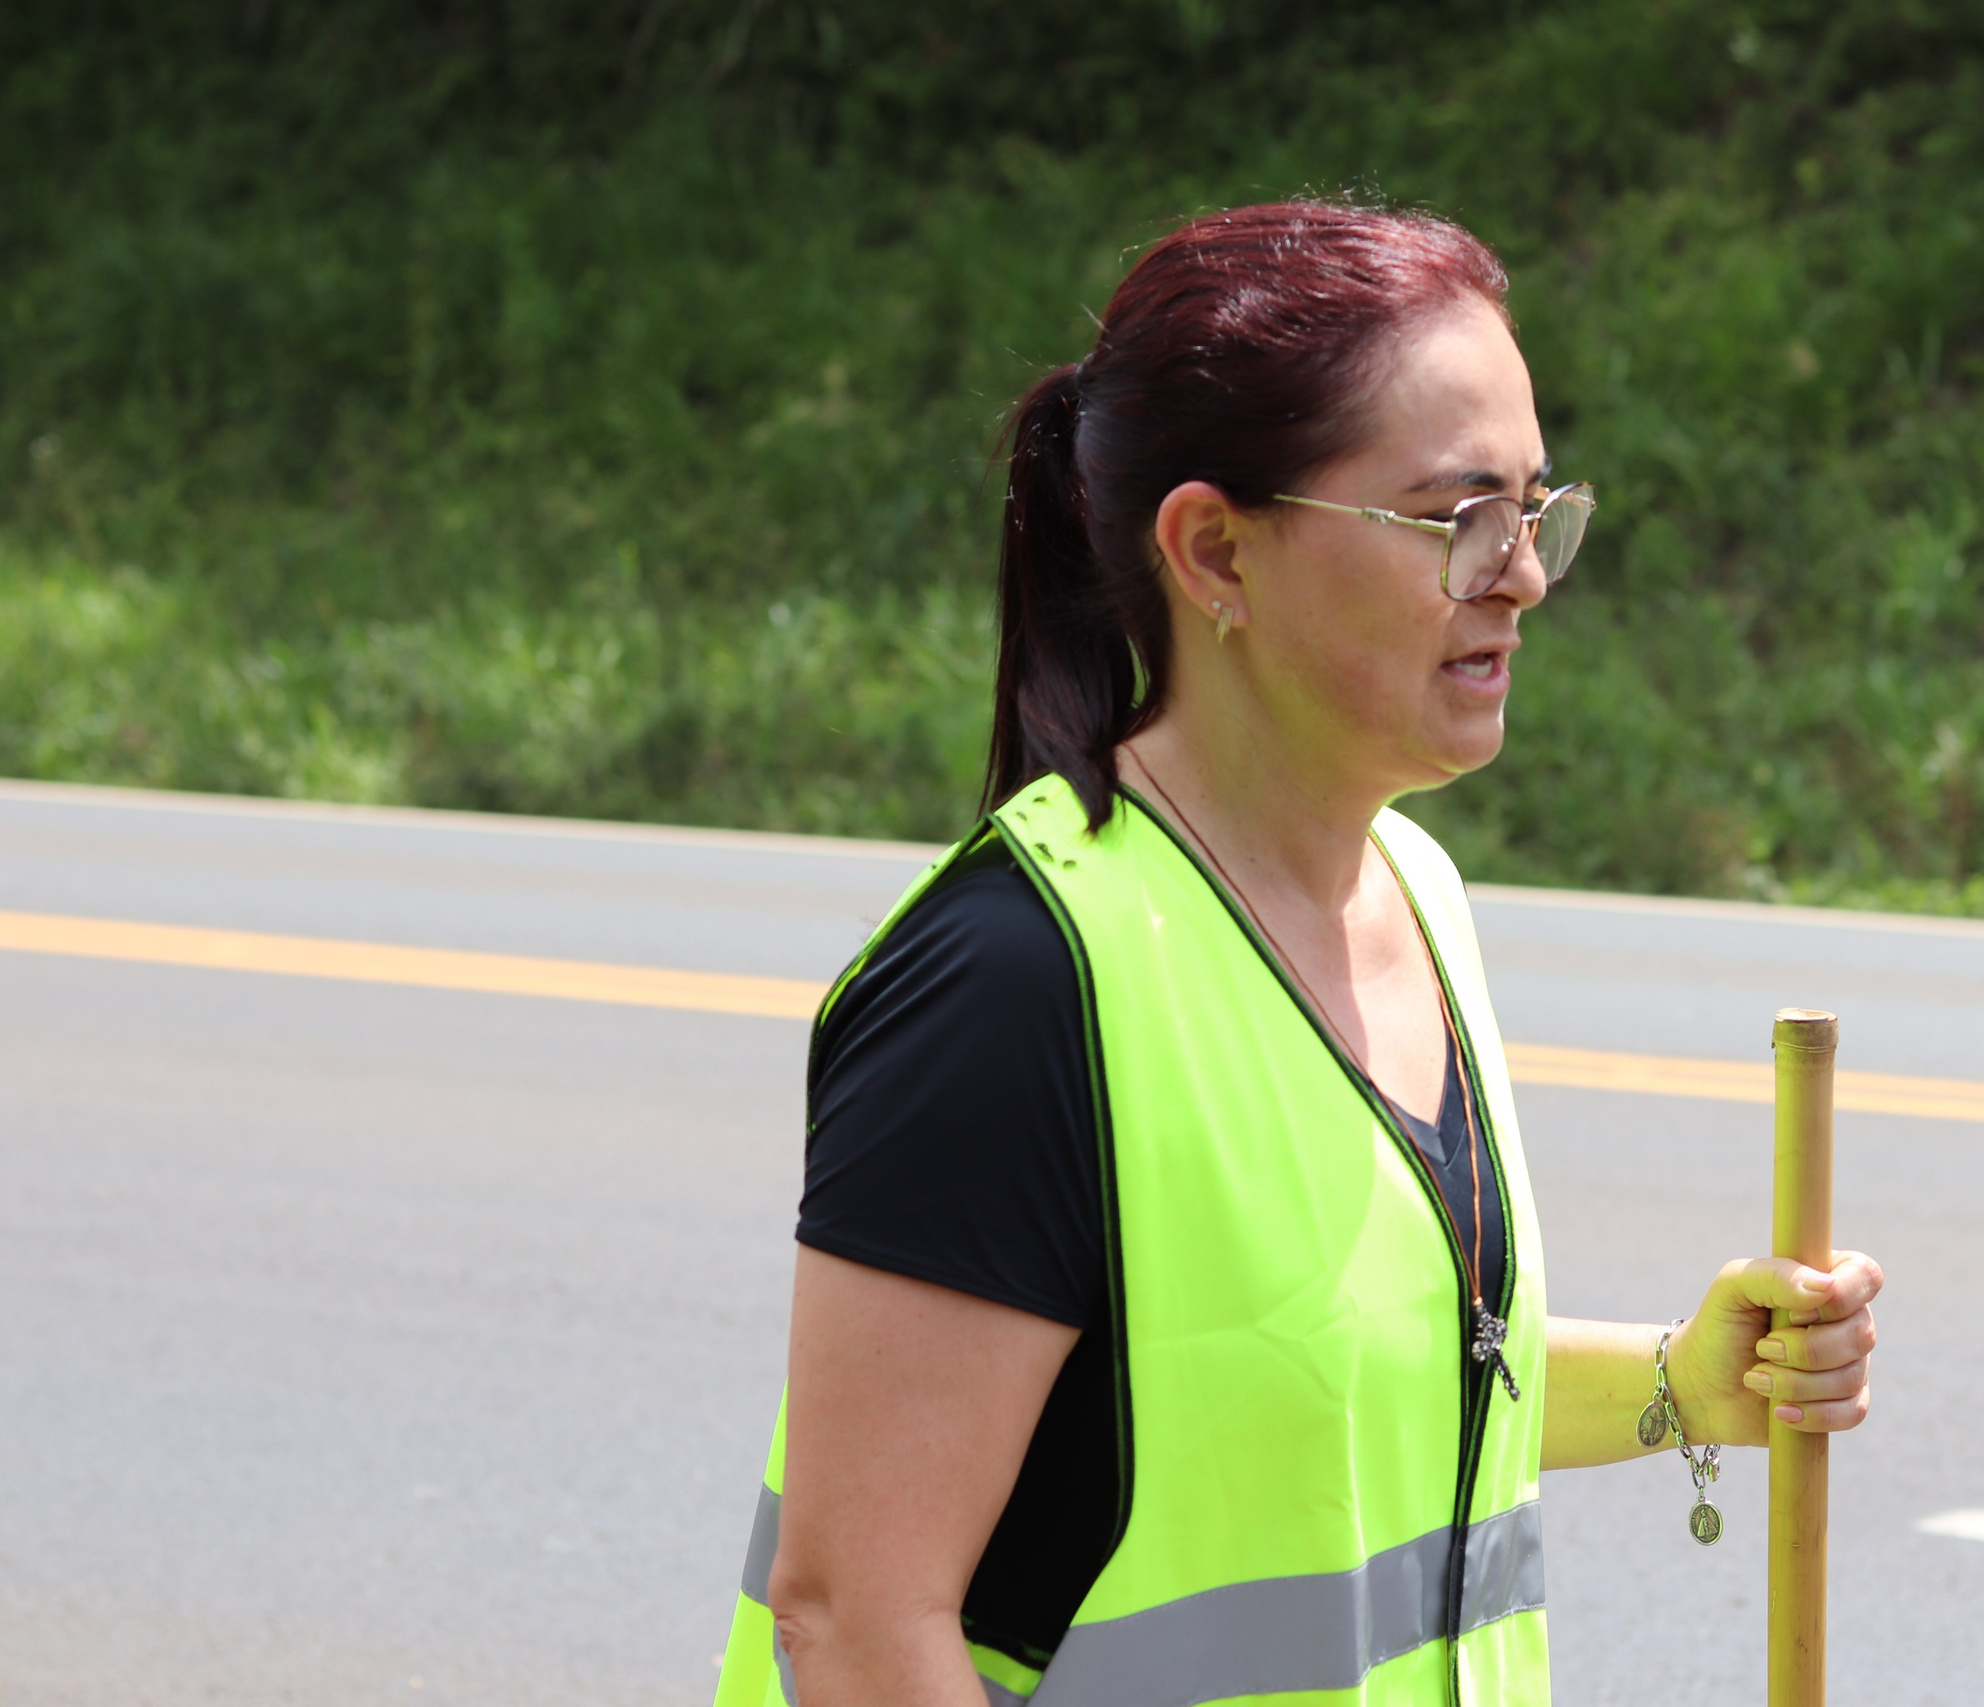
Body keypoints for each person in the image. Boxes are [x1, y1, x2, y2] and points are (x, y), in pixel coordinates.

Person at [712, 201, 1883, 1707]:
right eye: (1458, 518)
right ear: (1214, 550)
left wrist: (1680, 1384)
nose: (1521, 575)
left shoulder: (1415, 887)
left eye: (1538, 509)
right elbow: (854, 1622)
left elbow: (1334, 1404)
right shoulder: (1013, 983)